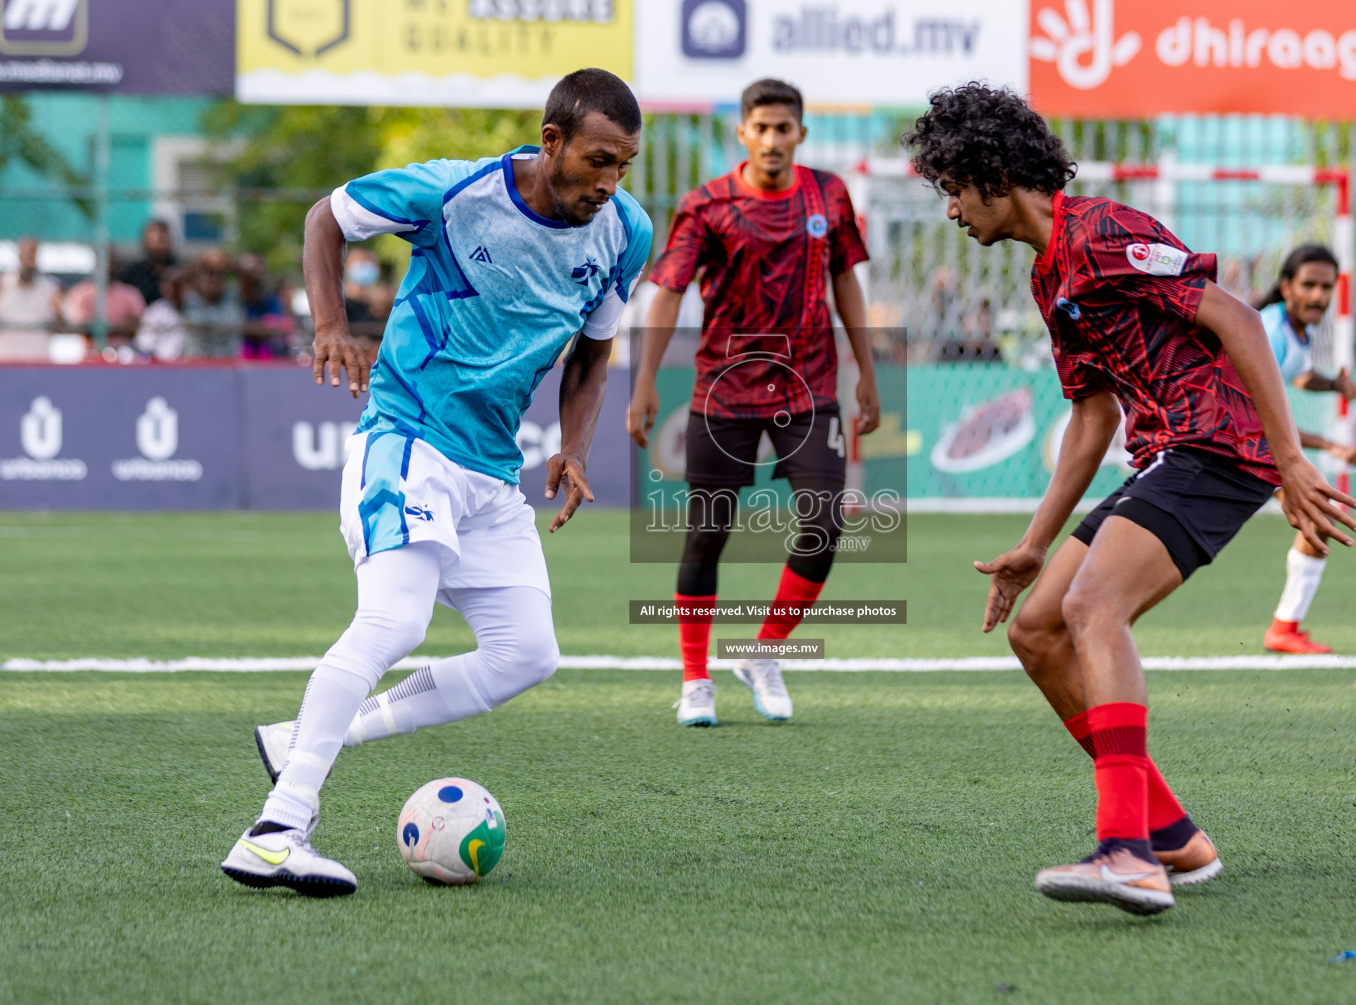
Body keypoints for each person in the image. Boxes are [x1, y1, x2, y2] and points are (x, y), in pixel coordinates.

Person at [905, 84, 1356, 916]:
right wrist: (1035, 543)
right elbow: (1092, 416)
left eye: (953, 189)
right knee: (1037, 629)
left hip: (1219, 447)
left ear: (994, 175)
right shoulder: (1050, 278)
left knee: (1094, 608)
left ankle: (1127, 855)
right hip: (1165, 456)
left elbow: (1237, 320)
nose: (952, 210)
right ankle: (1173, 835)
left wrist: (1292, 459)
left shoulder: (1104, 230)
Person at [220, 68, 652, 897]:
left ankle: (312, 735)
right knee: (395, 619)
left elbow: (594, 353)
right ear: (551, 140)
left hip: (492, 472)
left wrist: (574, 447)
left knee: (526, 653)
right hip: (409, 436)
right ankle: (278, 827)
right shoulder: (455, 192)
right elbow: (326, 218)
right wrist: (332, 325)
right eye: (598, 160)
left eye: (623, 166)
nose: (609, 182)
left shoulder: (624, 232)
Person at [626, 78, 880, 727]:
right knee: (706, 536)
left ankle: (763, 654)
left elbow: (845, 280)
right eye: (760, 128)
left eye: (783, 128)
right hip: (724, 389)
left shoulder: (830, 195)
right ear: (742, 133)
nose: (772, 139)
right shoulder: (705, 205)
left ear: (800, 133)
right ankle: (694, 680)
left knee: (825, 523)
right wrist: (646, 381)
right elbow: (668, 292)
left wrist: (867, 374)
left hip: (811, 386)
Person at [1252, 246, 1356, 655]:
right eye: (1309, 285)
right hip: (1224, 441)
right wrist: (1329, 444)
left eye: (1326, 286)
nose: (1319, 295)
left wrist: (1335, 385)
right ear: (1286, 287)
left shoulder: (1292, 330)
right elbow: (1255, 412)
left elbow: (1298, 375)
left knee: (1317, 514)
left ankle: (1285, 628)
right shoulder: (1267, 329)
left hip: (1243, 441)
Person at [0, 237, 61, 360]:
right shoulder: (4, 285)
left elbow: (61, 321)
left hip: (38, 356)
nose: (29, 260)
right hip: (7, 358)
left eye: (32, 254)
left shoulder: (50, 288)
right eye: (26, 254)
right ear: (19, 255)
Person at [180, 252, 247, 357]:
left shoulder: (234, 298)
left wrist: (230, 264)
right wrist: (202, 262)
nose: (213, 278)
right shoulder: (189, 300)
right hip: (196, 366)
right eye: (208, 273)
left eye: (218, 274)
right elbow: (171, 281)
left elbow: (252, 281)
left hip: (230, 366)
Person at [118, 220, 178, 307]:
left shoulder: (179, 270)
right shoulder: (131, 273)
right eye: (154, 236)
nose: (159, 240)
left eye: (163, 236)